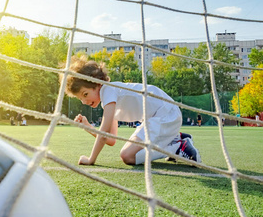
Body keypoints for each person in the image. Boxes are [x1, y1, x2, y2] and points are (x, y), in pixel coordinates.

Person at [62, 56, 201, 166]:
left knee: (127, 156)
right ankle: (176, 139)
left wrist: (91, 159)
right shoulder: (110, 98)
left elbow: (104, 135)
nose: (85, 102)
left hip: (165, 114)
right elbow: (111, 139)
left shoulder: (108, 90)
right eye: (81, 99)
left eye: (85, 94)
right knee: (128, 155)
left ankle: (177, 146)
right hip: (159, 117)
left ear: (97, 83)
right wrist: (88, 127)